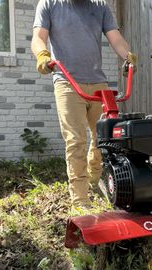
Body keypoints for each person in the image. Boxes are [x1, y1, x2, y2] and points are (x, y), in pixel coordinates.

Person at [31, 0, 137, 207]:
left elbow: (116, 38)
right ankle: (80, 201)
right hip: (67, 82)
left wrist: (128, 56)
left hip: (99, 83)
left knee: (105, 139)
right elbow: (38, 37)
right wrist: (43, 55)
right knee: (75, 141)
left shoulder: (100, 6)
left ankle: (95, 180)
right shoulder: (49, 4)